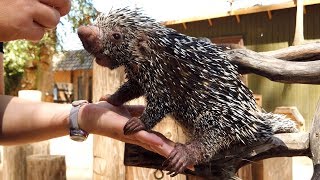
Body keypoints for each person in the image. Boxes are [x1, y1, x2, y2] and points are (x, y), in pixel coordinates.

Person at [0, 0, 174, 158]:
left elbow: (159, 97)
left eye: (115, 36)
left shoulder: (158, 69)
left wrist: (83, 116)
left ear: (142, 45)